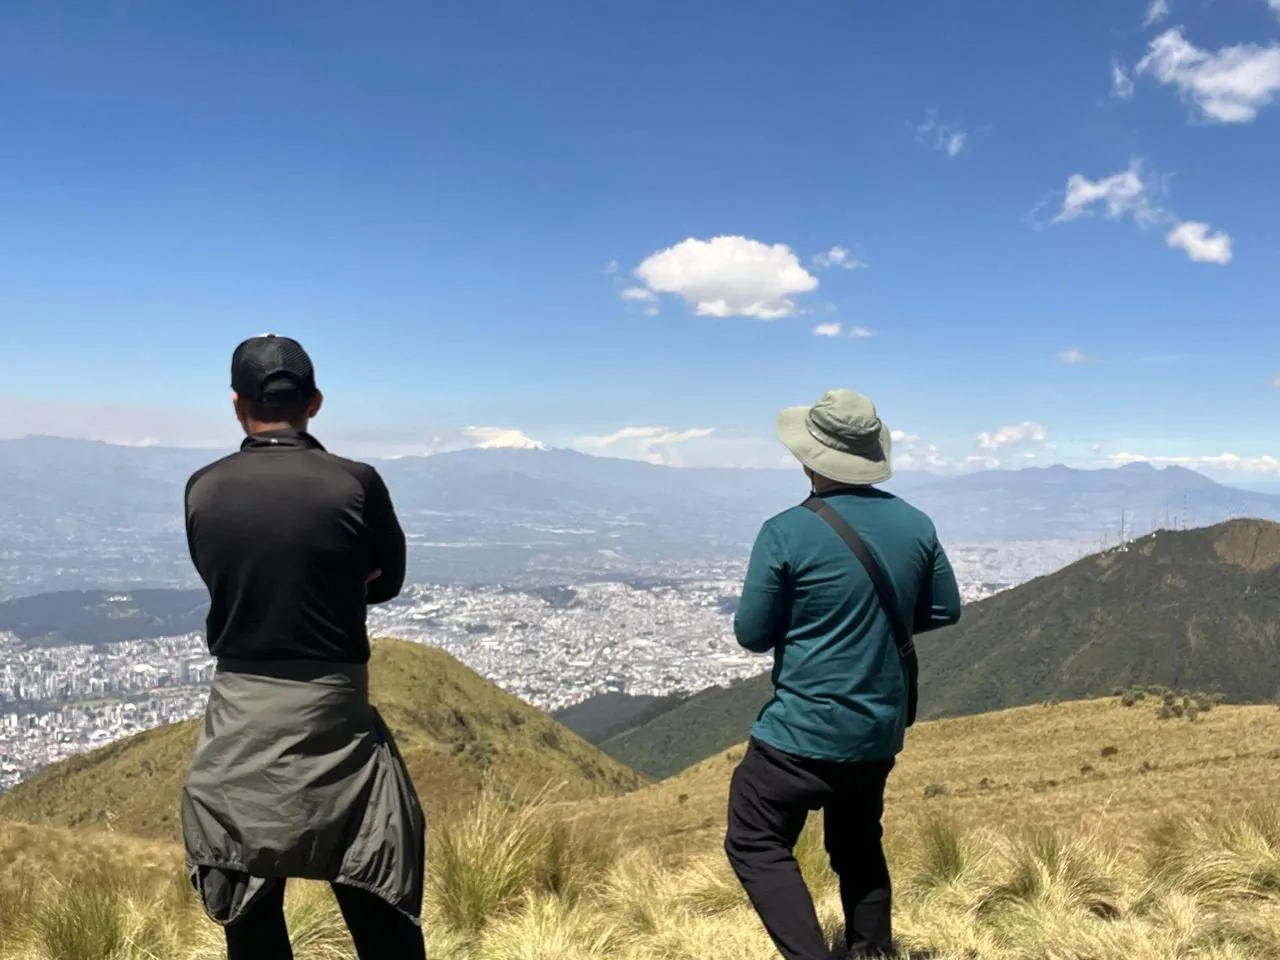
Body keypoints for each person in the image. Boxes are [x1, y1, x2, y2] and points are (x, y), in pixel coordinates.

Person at [180, 334, 427, 960]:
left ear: (238, 406)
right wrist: (337, 585)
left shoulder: (202, 488)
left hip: (240, 717)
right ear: (314, 402)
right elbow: (389, 580)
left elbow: (226, 578)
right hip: (335, 715)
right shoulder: (356, 483)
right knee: (375, 869)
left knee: (248, 898)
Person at [724, 388, 962, 960]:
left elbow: (752, 634)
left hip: (801, 734)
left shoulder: (785, 531)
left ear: (808, 456)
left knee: (755, 839)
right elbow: (945, 609)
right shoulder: (916, 523)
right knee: (857, 845)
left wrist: (810, 624)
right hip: (877, 730)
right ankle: (871, 952)